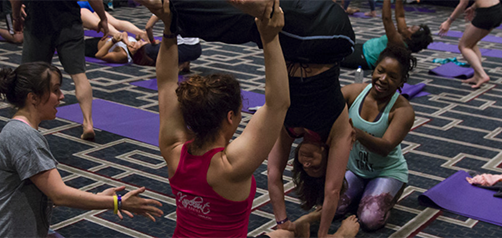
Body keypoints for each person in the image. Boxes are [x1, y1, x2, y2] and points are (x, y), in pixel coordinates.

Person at [139, 0, 356, 236]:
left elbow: (166, 82)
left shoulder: (174, 150)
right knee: (287, 235)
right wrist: (269, 37)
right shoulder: (231, 166)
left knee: (284, 234)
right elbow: (278, 104)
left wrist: (171, 29)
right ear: (230, 117)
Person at [0, 62, 163, 238]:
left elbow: (48, 193)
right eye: (55, 90)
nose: (61, 96)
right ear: (33, 97)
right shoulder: (23, 136)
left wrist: (101, 197)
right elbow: (59, 195)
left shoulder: (21, 131)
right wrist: (116, 202)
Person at [337, 45, 416, 231]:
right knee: (332, 208)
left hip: (386, 171)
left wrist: (357, 132)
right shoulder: (353, 92)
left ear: (401, 81)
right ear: (374, 68)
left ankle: (389, 192)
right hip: (355, 169)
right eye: (380, 71)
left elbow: (385, 147)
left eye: (392, 76)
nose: (383, 79)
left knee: (369, 220)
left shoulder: (403, 111)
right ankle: (363, 192)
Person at [11, 0, 106, 140]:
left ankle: (26, 123)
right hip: (69, 22)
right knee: (79, 76)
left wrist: (16, 16)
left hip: (38, 23)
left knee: (29, 78)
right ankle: (88, 123)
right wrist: (102, 17)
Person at [341, 0, 433, 70]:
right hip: (363, 48)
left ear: (410, 37)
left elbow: (387, 19)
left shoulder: (398, 42)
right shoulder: (405, 35)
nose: (408, 26)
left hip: (364, 58)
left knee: (331, 55)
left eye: (411, 28)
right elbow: (400, 16)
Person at [438, 0, 502, 89]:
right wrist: (473, 7)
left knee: (463, 46)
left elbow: (463, 4)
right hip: (497, 10)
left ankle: (482, 75)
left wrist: (448, 22)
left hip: (487, 13)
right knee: (472, 44)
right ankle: (477, 76)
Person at [79, 2, 149, 39]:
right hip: (89, 3)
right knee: (116, 22)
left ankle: (120, 36)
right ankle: (141, 33)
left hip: (77, 7)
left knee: (98, 24)